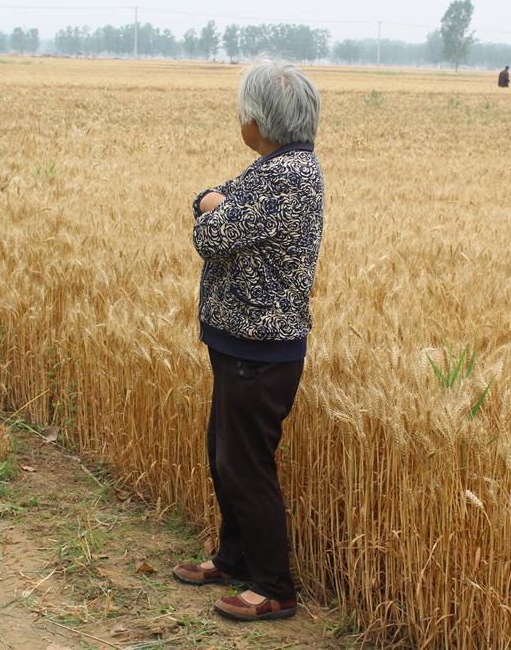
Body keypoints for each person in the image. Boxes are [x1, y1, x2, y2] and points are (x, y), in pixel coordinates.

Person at [172, 61, 324, 623]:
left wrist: (217, 206)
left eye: (243, 111)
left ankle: (273, 586)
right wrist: (215, 203)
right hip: (238, 343)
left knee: (246, 465)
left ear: (257, 121)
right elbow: (208, 200)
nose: (240, 118)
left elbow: (211, 230)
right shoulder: (273, 168)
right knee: (224, 454)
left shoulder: (289, 178)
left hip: (260, 351)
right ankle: (233, 557)